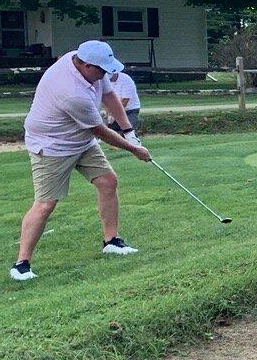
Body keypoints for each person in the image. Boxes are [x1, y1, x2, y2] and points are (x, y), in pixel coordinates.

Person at [11, 39, 153, 283]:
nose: (104, 75)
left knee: (108, 181)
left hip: (81, 139)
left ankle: (111, 241)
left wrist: (129, 131)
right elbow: (99, 130)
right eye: (101, 71)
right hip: (52, 145)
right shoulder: (71, 92)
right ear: (87, 66)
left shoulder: (89, 64)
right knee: (45, 204)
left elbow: (109, 96)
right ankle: (21, 265)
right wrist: (134, 149)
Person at [109, 66, 143, 138]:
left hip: (131, 109)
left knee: (128, 131)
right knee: (106, 126)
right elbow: (106, 98)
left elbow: (125, 100)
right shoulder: (105, 81)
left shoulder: (126, 79)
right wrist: (109, 114)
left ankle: (133, 133)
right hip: (115, 109)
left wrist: (114, 114)